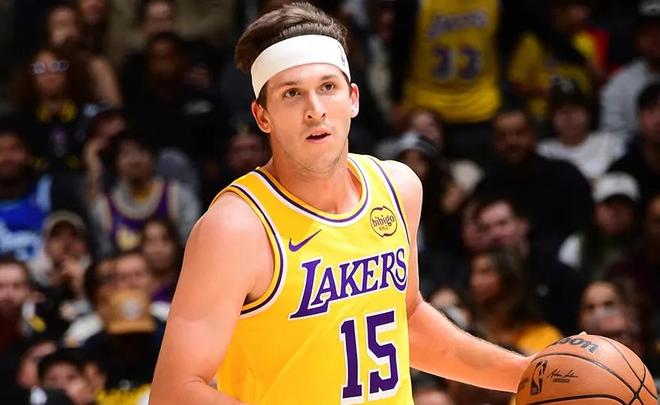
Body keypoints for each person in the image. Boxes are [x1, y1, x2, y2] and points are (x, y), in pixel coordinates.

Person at [150, 4, 530, 404]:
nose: (315, 110)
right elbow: (175, 393)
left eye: (328, 87)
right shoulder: (235, 228)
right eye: (292, 93)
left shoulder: (398, 188)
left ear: (353, 99)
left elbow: (406, 320)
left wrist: (527, 374)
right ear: (262, 116)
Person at [600, 0, 660, 138]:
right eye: (647, 32)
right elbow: (611, 135)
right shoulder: (619, 83)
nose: (656, 38)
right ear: (636, 39)